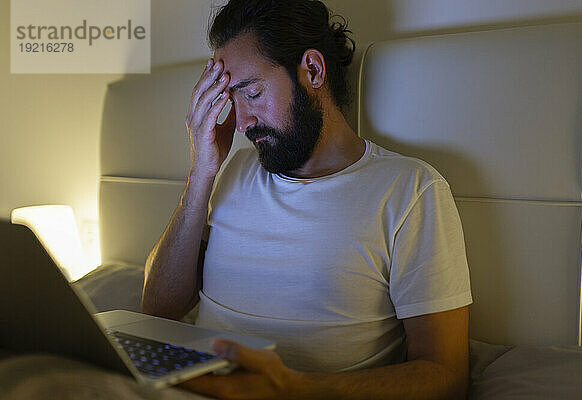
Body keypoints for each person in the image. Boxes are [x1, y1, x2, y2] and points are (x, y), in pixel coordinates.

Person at [141, 0, 472, 398]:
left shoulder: (409, 190)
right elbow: (158, 308)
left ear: (313, 70)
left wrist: (293, 389)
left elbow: (446, 375)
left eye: (253, 93)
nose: (242, 121)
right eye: (233, 99)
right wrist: (201, 173)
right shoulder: (231, 173)